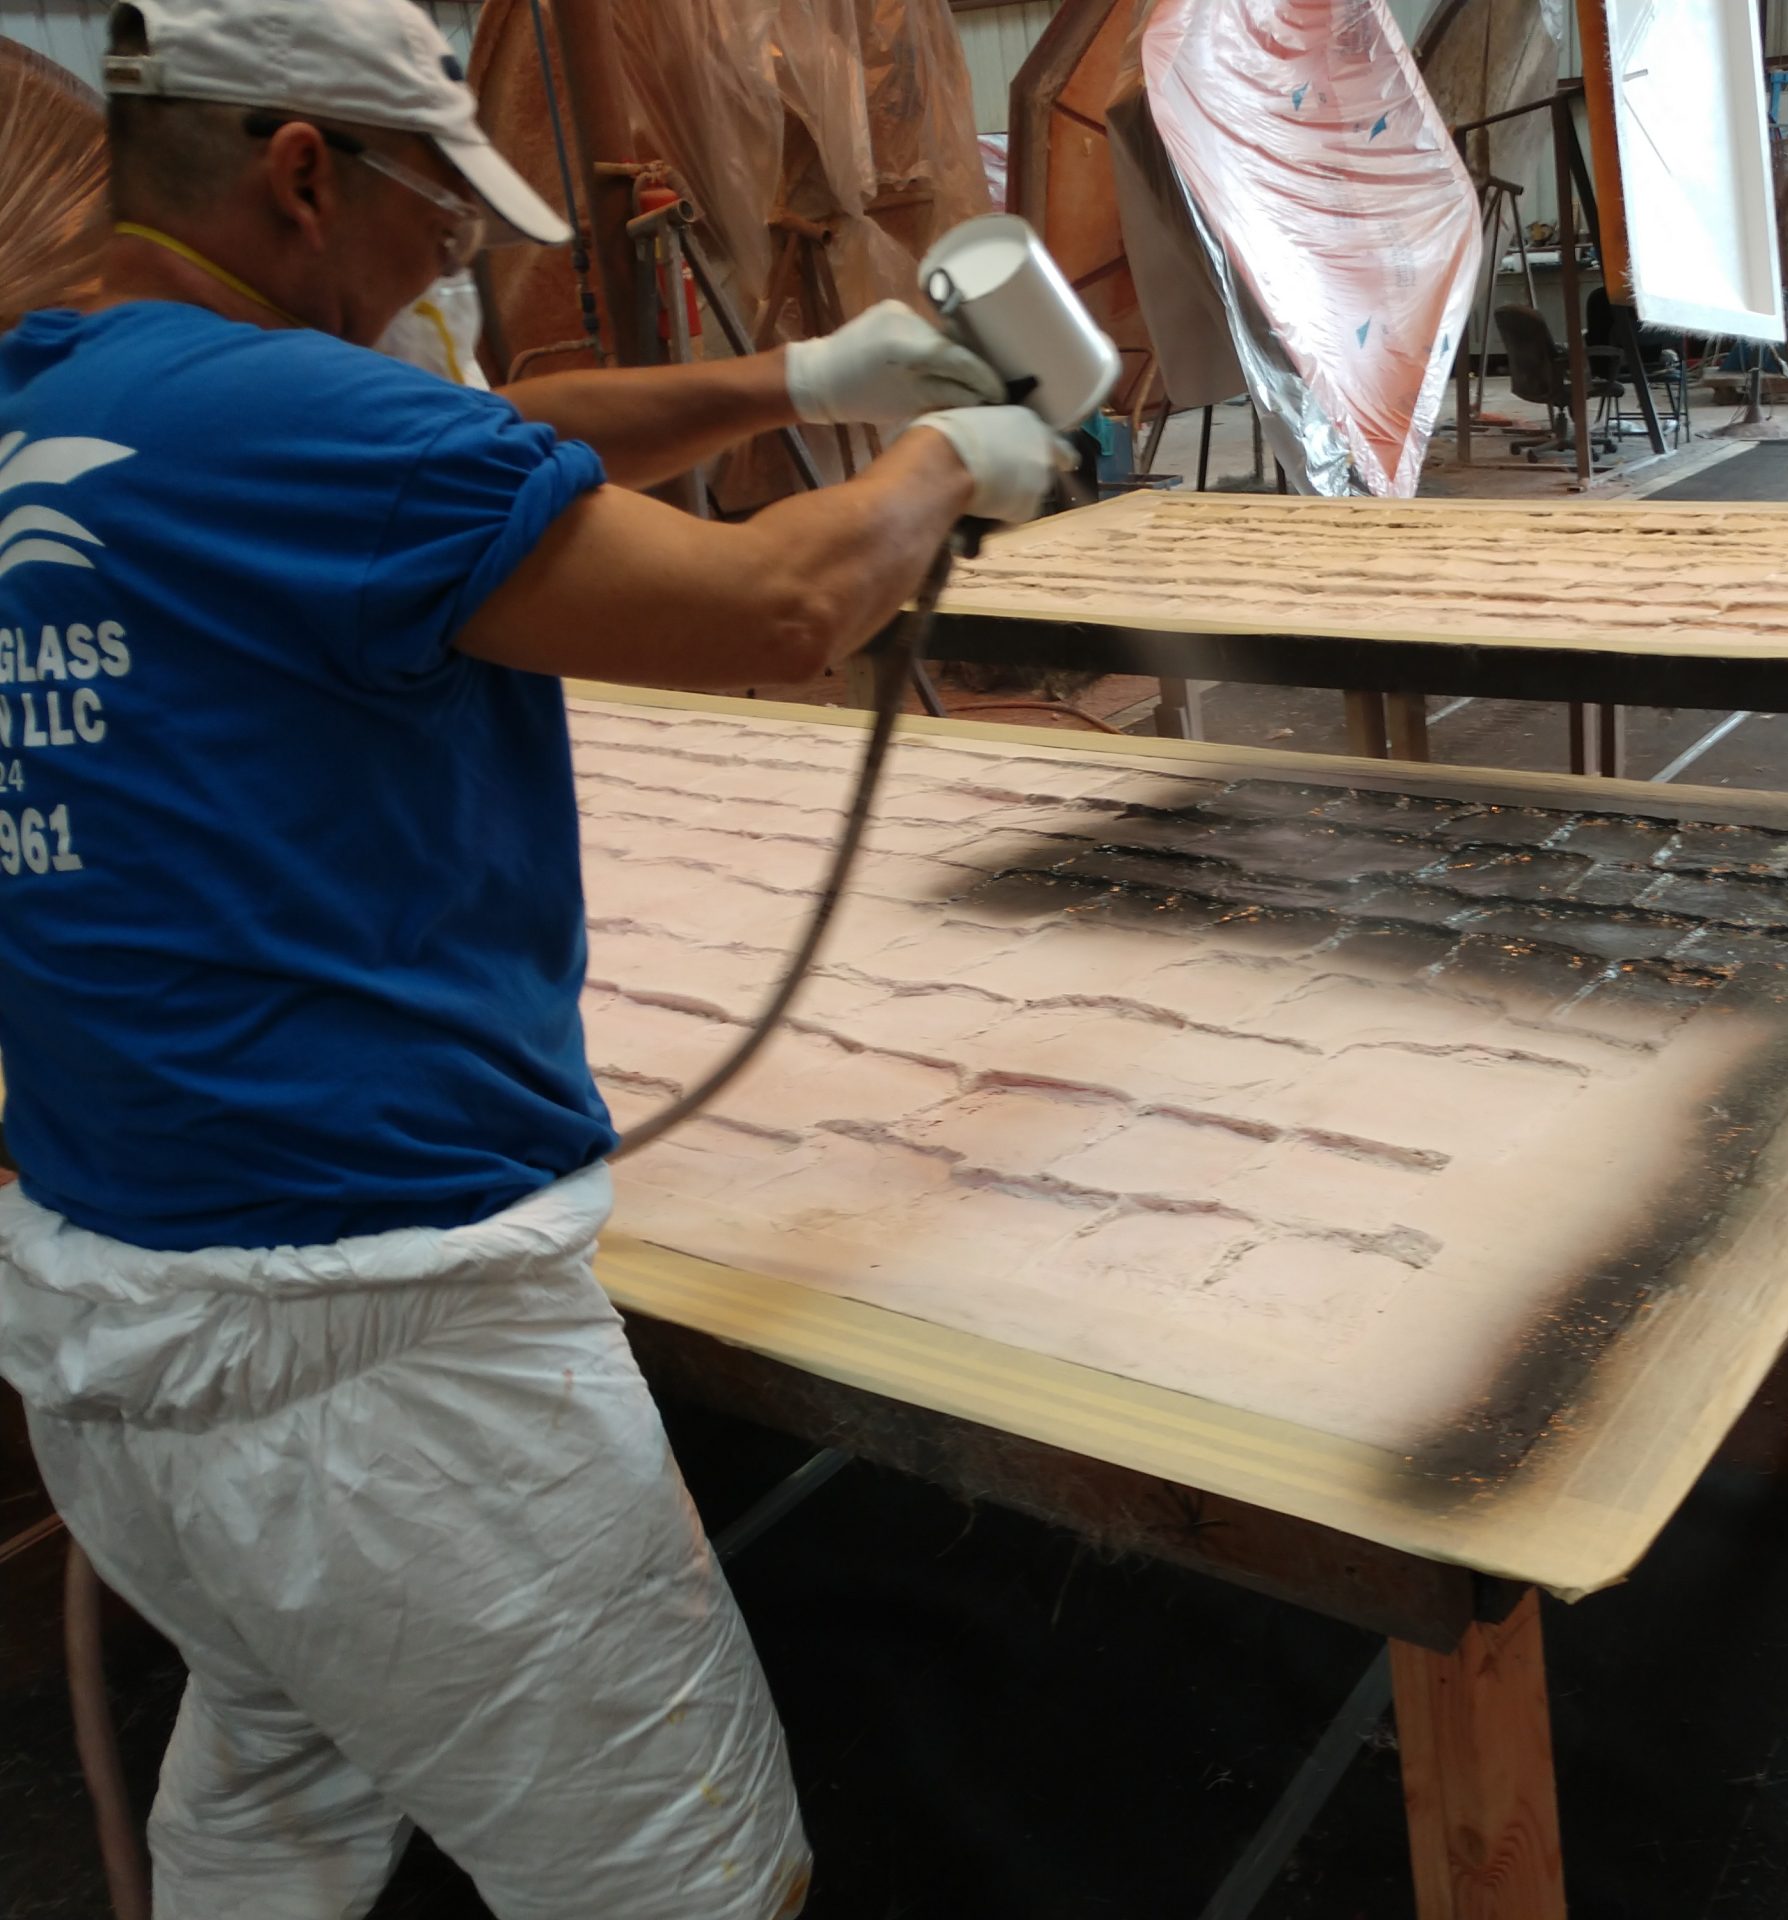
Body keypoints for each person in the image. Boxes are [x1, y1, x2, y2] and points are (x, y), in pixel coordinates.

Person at [0, 2, 1069, 1916]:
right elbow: (778, 607)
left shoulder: (64, 403)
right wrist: (942, 466)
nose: (451, 262)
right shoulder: (301, 421)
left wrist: (800, 375)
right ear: (302, 172)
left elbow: (474, 445)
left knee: (277, 1785)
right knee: (687, 1883)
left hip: (109, 1318)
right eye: (438, 216)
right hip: (395, 1379)